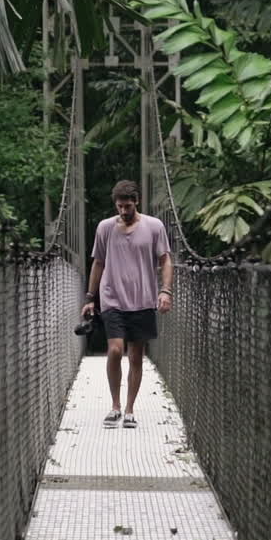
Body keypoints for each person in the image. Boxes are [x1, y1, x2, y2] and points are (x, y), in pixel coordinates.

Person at [82, 180, 173, 429]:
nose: (123, 211)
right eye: (120, 206)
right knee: (114, 350)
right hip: (112, 298)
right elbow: (98, 263)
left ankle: (130, 409)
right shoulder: (105, 228)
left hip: (143, 299)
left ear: (137, 202)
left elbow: (165, 259)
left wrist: (165, 291)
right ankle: (115, 406)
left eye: (128, 206)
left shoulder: (154, 226)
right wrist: (90, 298)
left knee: (135, 356)